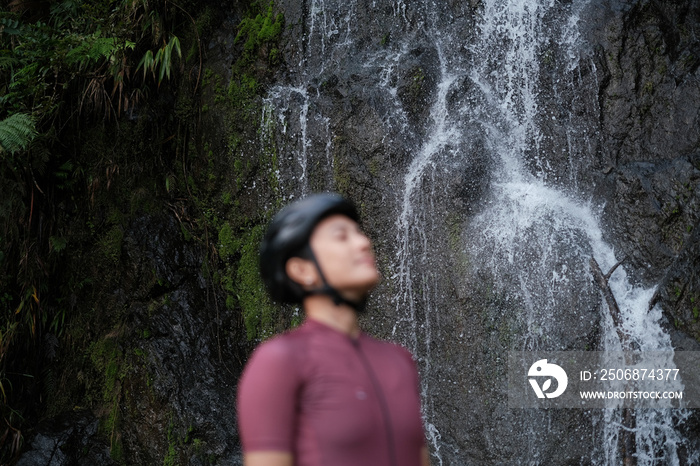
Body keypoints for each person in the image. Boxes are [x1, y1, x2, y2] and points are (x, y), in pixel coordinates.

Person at [236, 193, 430, 466]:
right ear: (302, 270)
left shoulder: (400, 360)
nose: (364, 243)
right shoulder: (279, 361)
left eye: (360, 233)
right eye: (342, 237)